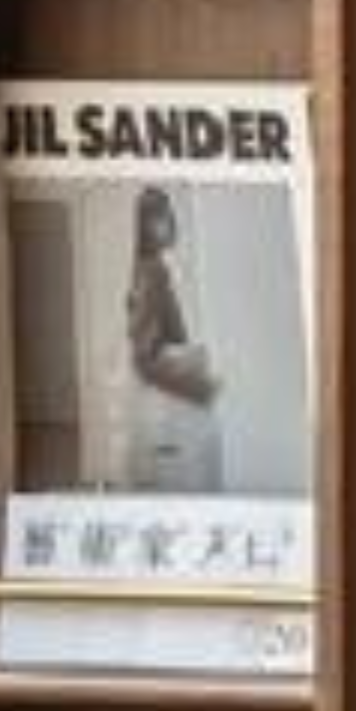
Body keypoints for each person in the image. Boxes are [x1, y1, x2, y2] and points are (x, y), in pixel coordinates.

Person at [119, 182, 226, 495]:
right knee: (175, 475)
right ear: (143, 227)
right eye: (156, 218)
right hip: (166, 395)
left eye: (167, 215)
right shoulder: (151, 272)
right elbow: (144, 358)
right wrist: (201, 388)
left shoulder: (150, 268)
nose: (167, 223)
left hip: (165, 393)